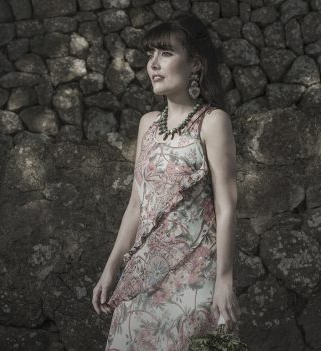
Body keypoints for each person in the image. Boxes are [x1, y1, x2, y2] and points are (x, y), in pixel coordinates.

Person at [92, 12, 241, 350]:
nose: (153, 64)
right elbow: (135, 205)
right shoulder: (148, 124)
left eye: (166, 53)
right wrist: (110, 268)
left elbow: (227, 206)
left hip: (194, 278)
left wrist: (224, 279)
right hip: (142, 276)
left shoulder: (212, 122)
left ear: (196, 64)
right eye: (150, 55)